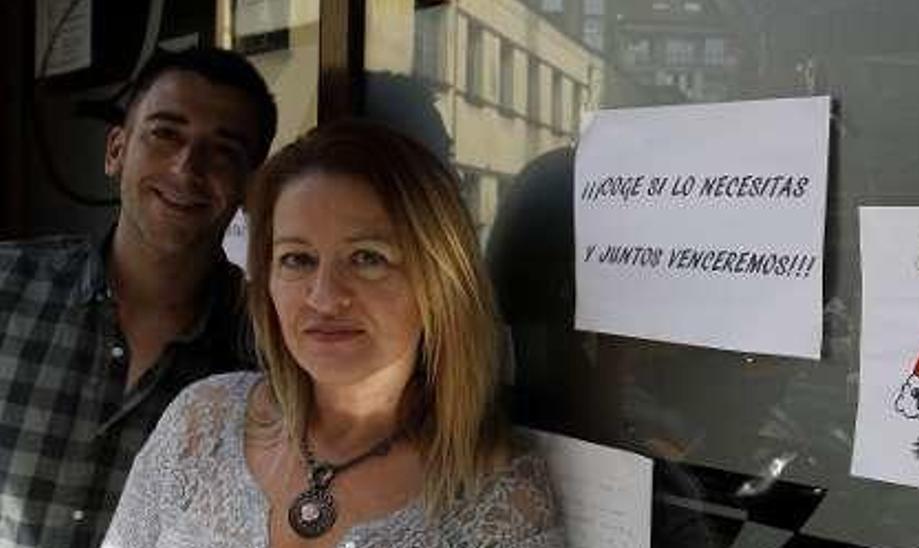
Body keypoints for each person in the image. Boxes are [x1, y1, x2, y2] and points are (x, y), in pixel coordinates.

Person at [103, 120, 566, 547]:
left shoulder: (501, 499)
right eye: (297, 259)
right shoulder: (199, 424)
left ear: (441, 280)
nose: (324, 298)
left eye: (368, 258)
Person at [0, 48, 275, 546]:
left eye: (223, 150)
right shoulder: (8, 284)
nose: (186, 168)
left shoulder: (265, 355)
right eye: (165, 133)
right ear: (115, 151)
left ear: (250, 188)